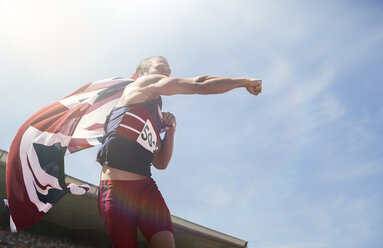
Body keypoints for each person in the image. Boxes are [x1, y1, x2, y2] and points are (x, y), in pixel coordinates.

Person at [96, 56, 262, 248]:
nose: (166, 73)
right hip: (117, 191)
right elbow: (198, 84)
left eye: (168, 72)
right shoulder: (140, 85)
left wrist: (171, 131)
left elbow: (160, 163)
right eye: (160, 68)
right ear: (141, 74)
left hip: (147, 190)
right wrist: (243, 82)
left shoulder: (156, 114)